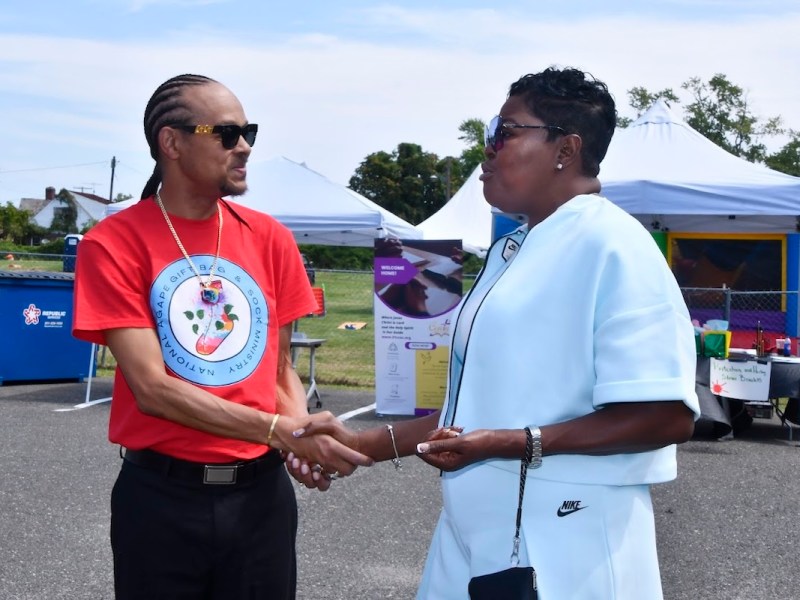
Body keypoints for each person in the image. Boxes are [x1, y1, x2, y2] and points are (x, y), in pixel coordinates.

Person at [293, 66, 699, 599]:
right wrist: (360, 444)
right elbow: (477, 412)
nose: (487, 149)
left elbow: (666, 414)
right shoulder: (514, 249)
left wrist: (510, 443)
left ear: (565, 149)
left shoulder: (614, 245)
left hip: (564, 542)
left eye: (503, 131)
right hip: (476, 536)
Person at [72, 74, 372, 600]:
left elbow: (279, 370)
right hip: (160, 502)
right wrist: (281, 429)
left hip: (262, 499)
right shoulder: (113, 244)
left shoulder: (270, 237)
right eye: (227, 133)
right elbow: (152, 388)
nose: (245, 146)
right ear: (171, 142)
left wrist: (299, 434)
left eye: (249, 130)